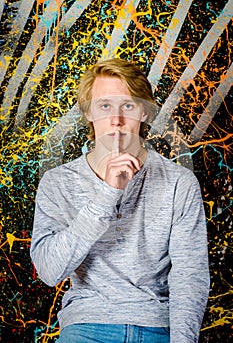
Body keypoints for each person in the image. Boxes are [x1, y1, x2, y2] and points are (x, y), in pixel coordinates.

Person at [30, 58, 210, 343]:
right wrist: (107, 193)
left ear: (144, 113)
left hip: (157, 326)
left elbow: (190, 276)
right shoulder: (57, 182)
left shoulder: (180, 182)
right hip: (87, 324)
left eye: (127, 105)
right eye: (104, 106)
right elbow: (50, 272)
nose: (116, 120)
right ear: (89, 113)